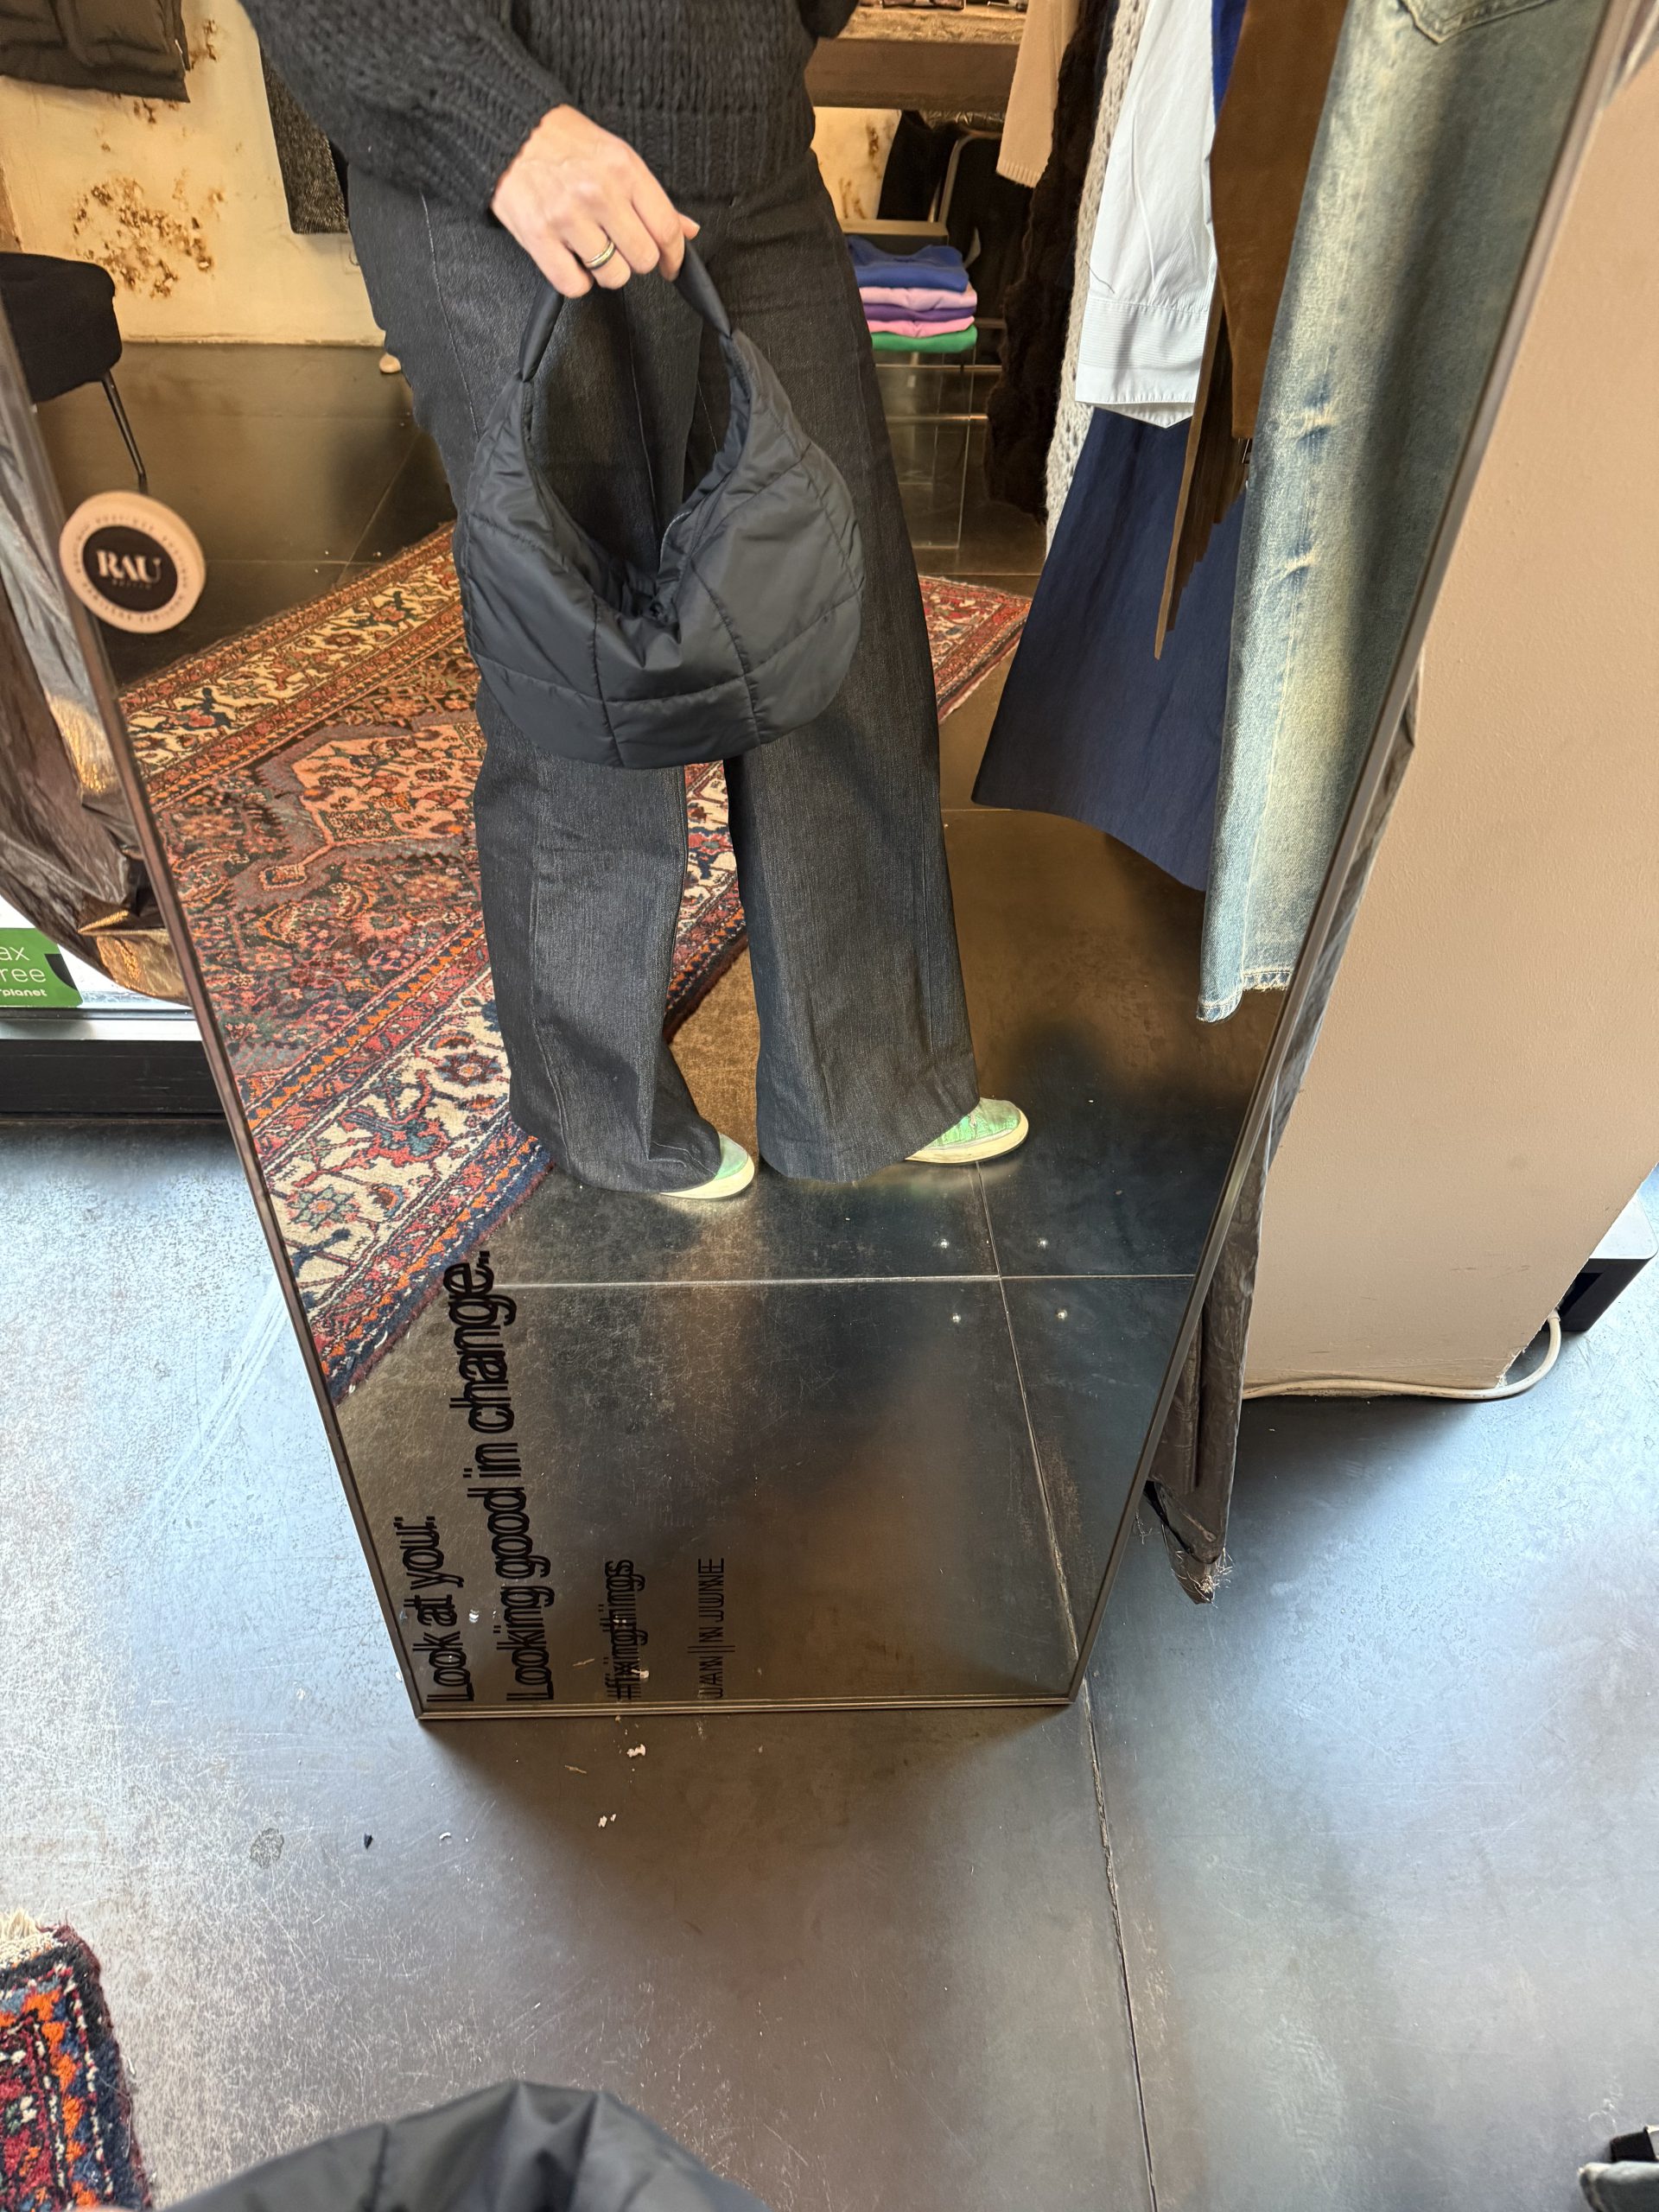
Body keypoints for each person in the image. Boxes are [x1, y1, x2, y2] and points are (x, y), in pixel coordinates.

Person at [245, 0, 1028, 1198]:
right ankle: (602, 1111)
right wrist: (498, 125)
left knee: (836, 621)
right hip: (500, 166)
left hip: (750, 148)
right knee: (581, 658)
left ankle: (876, 1077)